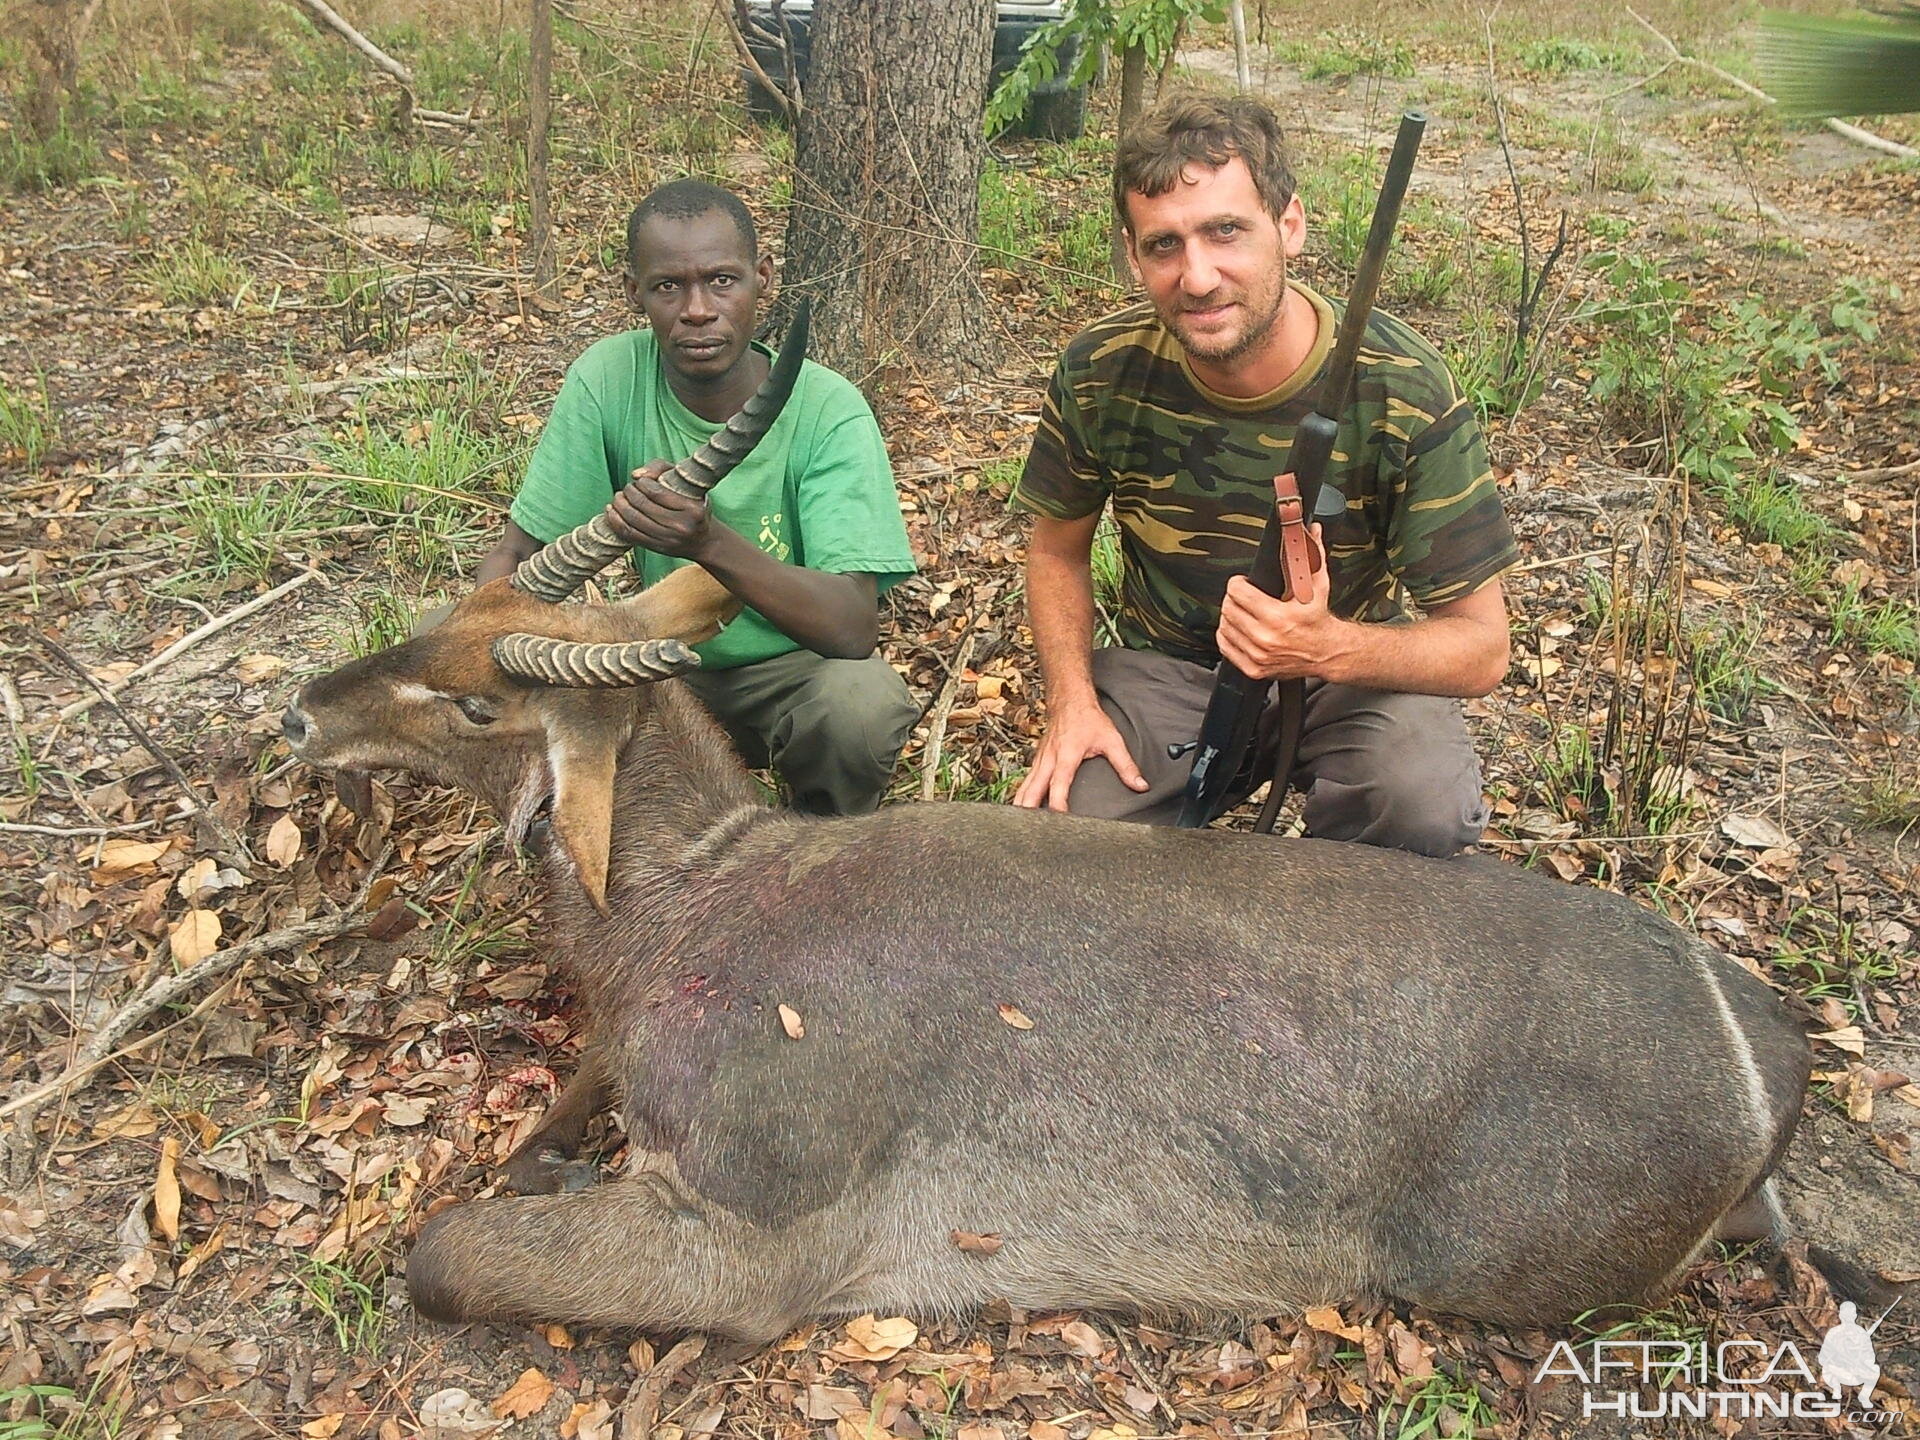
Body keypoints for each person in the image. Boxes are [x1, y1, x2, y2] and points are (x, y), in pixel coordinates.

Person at [1009, 93, 1517, 856]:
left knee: (1418, 803)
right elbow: (1055, 551)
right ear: (1131, 252)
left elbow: (1482, 648)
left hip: (1347, 673)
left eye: (1226, 232)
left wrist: (1325, 649)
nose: (1199, 276)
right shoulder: (1101, 370)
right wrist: (1072, 703)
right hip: (1173, 671)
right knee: (1061, 831)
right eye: (1163, 246)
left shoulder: (1403, 386)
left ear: (1290, 226)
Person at [474, 179, 919, 816]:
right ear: (635, 293)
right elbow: (516, 554)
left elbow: (851, 629)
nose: (698, 310)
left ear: (762, 278)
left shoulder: (829, 411)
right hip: (649, 671)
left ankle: (821, 840)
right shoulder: (607, 378)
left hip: (789, 677)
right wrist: (481, 640)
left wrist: (705, 542)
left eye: (721, 280)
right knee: (442, 637)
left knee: (860, 706)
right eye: (668, 287)